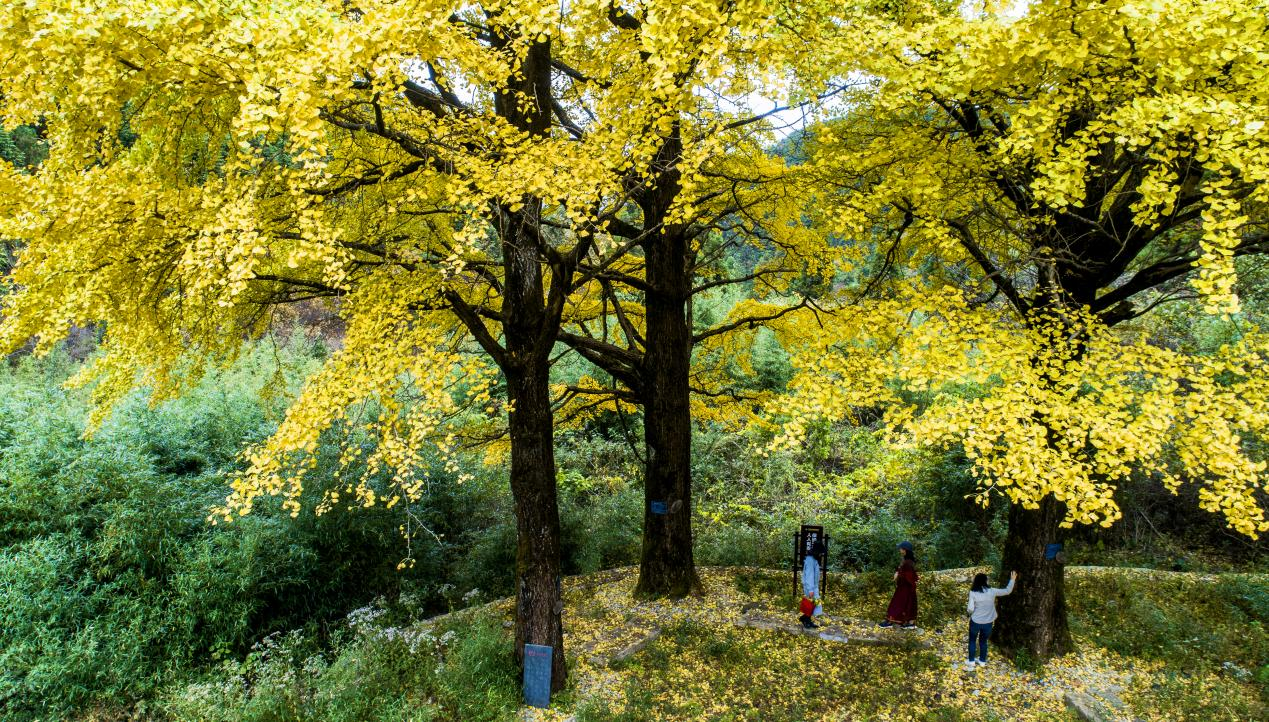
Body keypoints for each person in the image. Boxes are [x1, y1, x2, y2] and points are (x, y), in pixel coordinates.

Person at [965, 570, 1018, 668]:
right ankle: (982, 661)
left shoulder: (973, 592)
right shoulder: (992, 591)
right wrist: (1012, 580)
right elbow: (1007, 591)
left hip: (975, 621)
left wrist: (969, 613)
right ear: (985, 581)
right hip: (988, 622)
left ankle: (971, 661)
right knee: (983, 642)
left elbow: (970, 609)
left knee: (972, 641)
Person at [880, 541, 918, 629]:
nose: (899, 549)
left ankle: (890, 621)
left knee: (897, 603)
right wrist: (897, 572)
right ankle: (909, 623)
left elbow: (909, 576)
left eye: (901, 548)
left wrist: (899, 575)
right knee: (906, 604)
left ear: (905, 550)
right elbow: (901, 569)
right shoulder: (906, 560)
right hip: (904, 587)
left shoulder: (908, 562)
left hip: (906, 588)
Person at [799, 540, 826, 629]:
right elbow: (810, 575)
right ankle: (805, 619)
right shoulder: (810, 560)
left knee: (813, 604)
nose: (821, 555)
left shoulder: (812, 559)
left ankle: (807, 620)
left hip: (813, 586)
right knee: (811, 604)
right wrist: (810, 589)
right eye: (820, 553)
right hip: (810, 587)